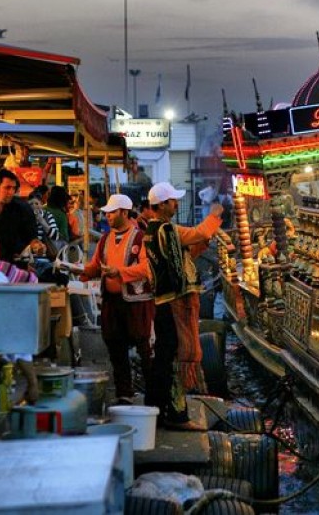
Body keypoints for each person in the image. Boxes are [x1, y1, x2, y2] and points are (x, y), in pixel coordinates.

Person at [144, 182, 223, 430]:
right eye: (173, 201)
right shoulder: (166, 230)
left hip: (164, 302)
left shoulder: (154, 230)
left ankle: (156, 409)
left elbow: (183, 254)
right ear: (162, 205)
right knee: (177, 357)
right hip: (173, 303)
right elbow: (197, 234)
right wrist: (215, 216)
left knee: (165, 358)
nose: (177, 204)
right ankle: (176, 416)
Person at [80, 194, 153, 404]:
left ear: (123, 212)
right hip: (112, 301)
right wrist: (82, 271)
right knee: (115, 346)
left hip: (136, 301)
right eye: (107, 212)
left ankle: (153, 394)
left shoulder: (140, 238)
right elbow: (96, 265)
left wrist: (119, 272)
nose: (108, 216)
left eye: (112, 212)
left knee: (144, 348)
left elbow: (146, 268)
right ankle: (124, 392)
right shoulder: (104, 239)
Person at [0, 169, 36, 263]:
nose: (11, 192)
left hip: (16, 265)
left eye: (13, 188)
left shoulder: (22, 209)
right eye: (7, 188)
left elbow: (31, 237)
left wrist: (36, 245)